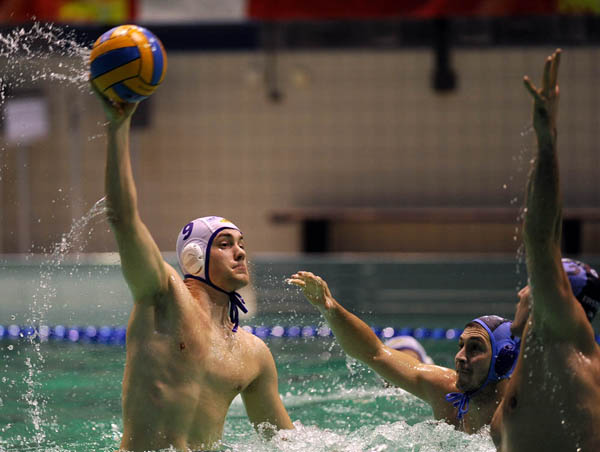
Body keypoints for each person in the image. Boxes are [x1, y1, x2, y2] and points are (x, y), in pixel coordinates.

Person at [93, 89, 293, 452]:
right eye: (225, 243)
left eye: (242, 243)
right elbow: (122, 219)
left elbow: (285, 443)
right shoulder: (163, 298)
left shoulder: (253, 353)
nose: (240, 251)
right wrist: (118, 127)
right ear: (194, 257)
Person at [490, 49, 600, 451]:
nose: (524, 290)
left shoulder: (558, 334)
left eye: (535, 284)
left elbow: (540, 237)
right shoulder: (548, 356)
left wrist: (547, 141)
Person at [288, 271, 519, 433]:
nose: (460, 357)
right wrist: (329, 308)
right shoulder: (445, 391)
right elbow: (374, 352)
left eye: (475, 348)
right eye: (461, 346)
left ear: (503, 359)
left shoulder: (521, 416)